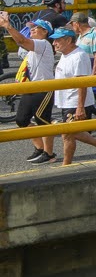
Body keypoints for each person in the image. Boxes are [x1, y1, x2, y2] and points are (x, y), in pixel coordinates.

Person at [51, 26, 96, 165]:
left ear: (68, 40)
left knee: (68, 132)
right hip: (66, 101)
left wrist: (80, 107)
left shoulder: (79, 56)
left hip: (75, 101)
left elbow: (82, 83)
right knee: (68, 134)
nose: (54, 43)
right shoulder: (65, 54)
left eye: (57, 40)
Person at [1, 13, 57, 164]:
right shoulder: (35, 46)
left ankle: (49, 153)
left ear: (45, 32)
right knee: (21, 120)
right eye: (31, 28)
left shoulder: (43, 44)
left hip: (44, 88)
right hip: (31, 87)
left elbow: (21, 40)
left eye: (36, 28)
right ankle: (40, 148)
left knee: (42, 120)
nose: (32, 30)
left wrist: (8, 26)